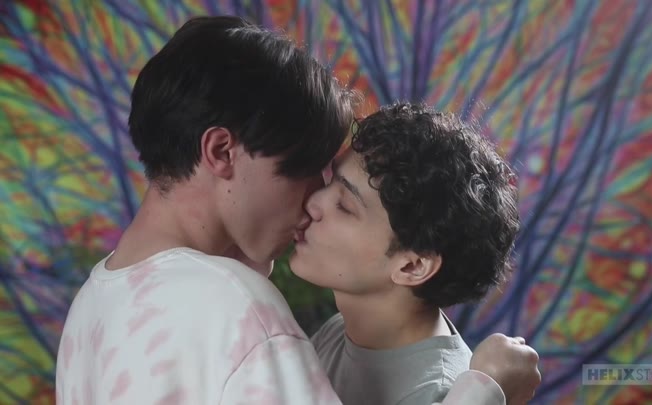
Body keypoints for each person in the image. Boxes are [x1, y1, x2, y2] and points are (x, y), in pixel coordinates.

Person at [56, 16, 539, 404]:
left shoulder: (93, 305)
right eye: (301, 169)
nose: (311, 199)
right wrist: (486, 392)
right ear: (220, 152)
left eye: (341, 199)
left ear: (413, 264)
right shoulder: (239, 308)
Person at [290, 102, 539, 405]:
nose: (313, 202)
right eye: (330, 183)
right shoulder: (341, 332)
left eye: (344, 206)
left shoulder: (439, 392)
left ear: (413, 266)